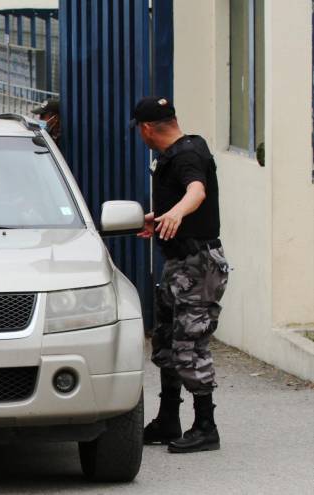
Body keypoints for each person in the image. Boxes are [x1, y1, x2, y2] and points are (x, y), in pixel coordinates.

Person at [132, 97, 230, 454]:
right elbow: (186, 195)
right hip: (179, 264)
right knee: (167, 340)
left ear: (145, 128)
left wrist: (175, 213)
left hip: (198, 266)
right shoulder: (184, 149)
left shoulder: (187, 156)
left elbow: (197, 191)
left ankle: (206, 426)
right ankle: (168, 418)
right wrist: (160, 216)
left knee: (190, 343)